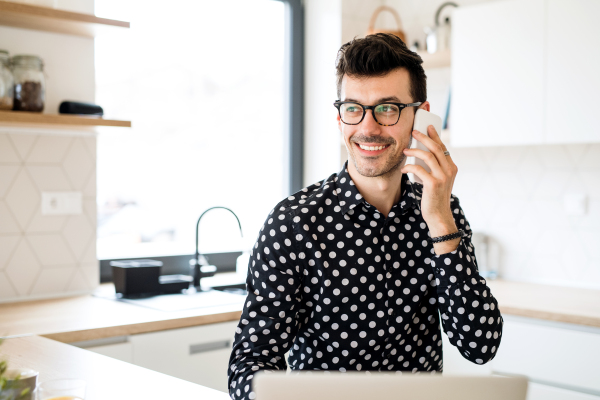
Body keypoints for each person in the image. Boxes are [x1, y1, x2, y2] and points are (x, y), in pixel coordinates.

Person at [227, 33, 503, 400]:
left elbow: (480, 345)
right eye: (353, 108)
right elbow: (250, 367)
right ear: (339, 117)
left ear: (420, 117)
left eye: (388, 108)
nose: (368, 128)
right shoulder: (294, 224)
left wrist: (440, 223)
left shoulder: (442, 211)